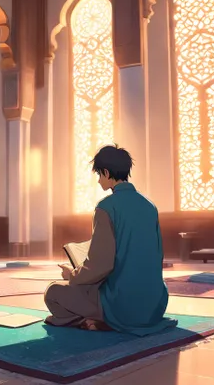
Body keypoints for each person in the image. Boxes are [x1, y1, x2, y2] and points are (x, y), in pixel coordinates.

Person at [44, 144, 177, 336]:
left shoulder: (106, 207)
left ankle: (103, 322)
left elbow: (101, 265)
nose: (98, 181)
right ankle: (99, 320)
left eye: (99, 175)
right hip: (155, 305)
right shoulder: (150, 206)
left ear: (106, 172)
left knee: (54, 292)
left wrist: (72, 275)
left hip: (123, 305)